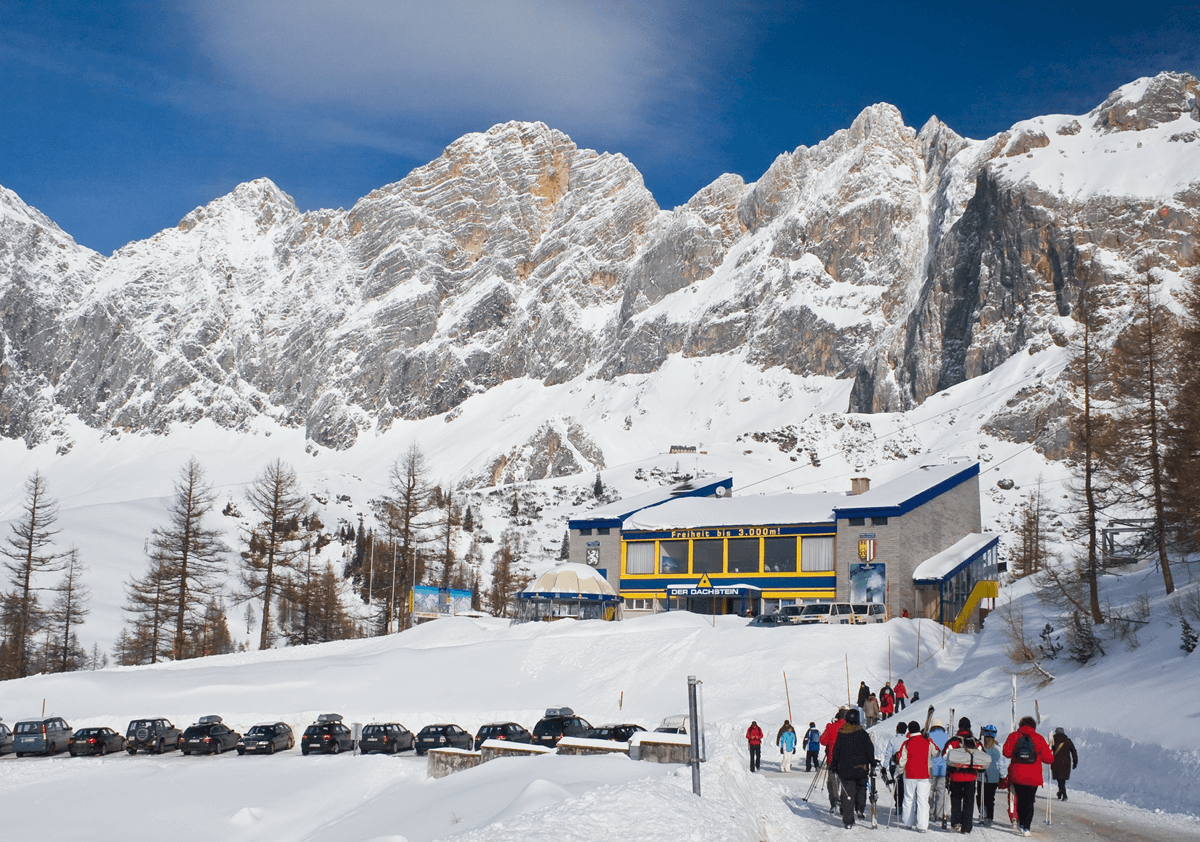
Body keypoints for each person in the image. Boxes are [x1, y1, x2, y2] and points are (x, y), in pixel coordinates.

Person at [1003, 716, 1054, 837]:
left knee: (1020, 800)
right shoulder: (1039, 738)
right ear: (1033, 726)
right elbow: (1048, 759)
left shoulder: (1014, 736)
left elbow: (1006, 752)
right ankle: (1027, 827)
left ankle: (1021, 823)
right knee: (1029, 802)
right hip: (1033, 776)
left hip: (1017, 775)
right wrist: (1051, 751)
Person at [830, 708, 876, 829]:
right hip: (861, 768)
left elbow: (836, 751)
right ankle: (860, 808)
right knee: (861, 789)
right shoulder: (862, 733)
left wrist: (834, 764)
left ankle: (848, 821)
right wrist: (872, 762)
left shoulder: (842, 733)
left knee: (847, 794)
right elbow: (869, 749)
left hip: (845, 770)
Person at [942, 717, 982, 833]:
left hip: (956, 776)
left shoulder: (953, 741)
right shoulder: (975, 741)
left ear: (959, 727)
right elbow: (981, 755)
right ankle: (967, 826)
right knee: (969, 801)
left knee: (956, 799)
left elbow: (944, 756)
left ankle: (955, 823)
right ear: (969, 727)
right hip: (971, 777)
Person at [898, 719, 938, 832]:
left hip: (910, 773)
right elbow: (936, 753)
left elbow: (902, 760)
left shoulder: (907, 743)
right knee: (923, 800)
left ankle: (908, 822)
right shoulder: (928, 741)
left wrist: (899, 771)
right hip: (925, 774)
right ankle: (922, 826)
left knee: (909, 798)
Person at [821, 708, 849, 811]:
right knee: (845, 782)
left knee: (832, 781)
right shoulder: (850, 727)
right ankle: (844, 802)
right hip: (847, 760)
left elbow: (823, 740)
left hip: (832, 759)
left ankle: (834, 801)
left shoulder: (832, 727)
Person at [977, 725, 1004, 827]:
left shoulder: (980, 748)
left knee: (980, 796)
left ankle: (982, 812)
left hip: (982, 776)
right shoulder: (998, 749)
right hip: (993, 778)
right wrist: (1002, 776)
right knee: (990, 798)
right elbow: (1001, 764)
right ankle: (989, 818)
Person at [880, 720, 909, 817]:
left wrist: (884, 766)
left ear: (897, 729)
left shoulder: (892, 740)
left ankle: (898, 806)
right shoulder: (907, 740)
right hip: (905, 765)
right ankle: (906, 806)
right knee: (905, 785)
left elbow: (888, 754)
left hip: (894, 765)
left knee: (897, 785)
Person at [928, 719, 949, 827]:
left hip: (930, 767)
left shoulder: (928, 735)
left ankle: (929, 813)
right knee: (941, 791)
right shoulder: (946, 736)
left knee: (930, 791)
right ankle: (939, 814)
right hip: (942, 768)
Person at [1050, 727, 1078, 801]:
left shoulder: (1053, 740)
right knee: (1062, 779)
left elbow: (1049, 749)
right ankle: (1060, 792)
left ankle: (1064, 794)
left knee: (1060, 779)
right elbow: (1074, 751)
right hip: (1066, 763)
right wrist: (1075, 761)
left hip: (1056, 762)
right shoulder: (1067, 741)